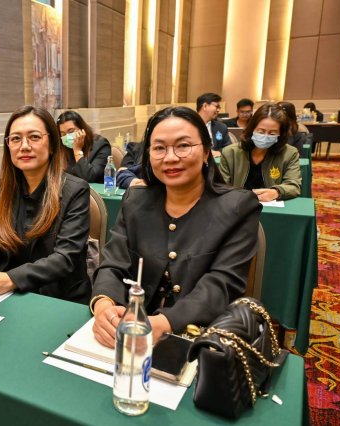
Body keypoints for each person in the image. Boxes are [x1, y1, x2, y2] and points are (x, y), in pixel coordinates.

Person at [90, 106, 261, 347]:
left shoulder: (237, 207)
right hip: (132, 326)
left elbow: (222, 283)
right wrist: (103, 304)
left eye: (183, 146)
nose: (170, 158)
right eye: (159, 148)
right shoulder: (136, 200)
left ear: (206, 152)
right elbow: (113, 263)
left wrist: (164, 322)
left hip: (200, 336)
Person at [0, 105, 91, 304]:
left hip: (57, 297)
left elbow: (65, 258)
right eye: (16, 139)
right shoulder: (3, 188)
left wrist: (10, 279)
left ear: (52, 145)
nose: (24, 146)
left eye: (34, 137)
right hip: (6, 294)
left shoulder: (76, 190)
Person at [219, 102, 302, 201]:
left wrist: (277, 192)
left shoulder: (289, 153)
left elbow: (294, 186)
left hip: (270, 205)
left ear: (280, 135)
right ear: (252, 129)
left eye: (272, 133)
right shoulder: (230, 152)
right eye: (261, 131)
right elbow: (220, 185)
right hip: (238, 204)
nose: (265, 137)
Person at [56, 110, 111, 183]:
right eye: (63, 134)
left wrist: (77, 151)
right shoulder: (62, 147)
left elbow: (89, 177)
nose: (67, 136)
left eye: (71, 131)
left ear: (82, 129)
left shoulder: (101, 144)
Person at [196, 93, 230, 157]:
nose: (218, 110)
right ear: (205, 106)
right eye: (217, 107)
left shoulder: (221, 127)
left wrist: (219, 152)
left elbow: (228, 148)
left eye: (219, 107)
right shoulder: (188, 125)